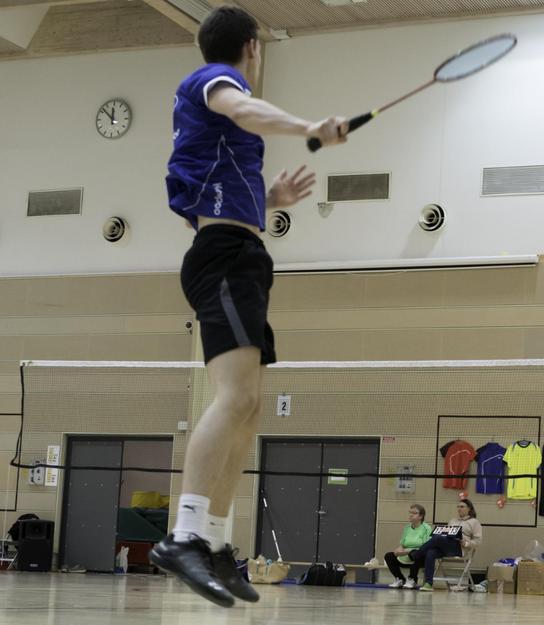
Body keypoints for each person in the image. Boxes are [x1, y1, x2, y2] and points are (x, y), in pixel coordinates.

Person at [149, 5, 347, 609]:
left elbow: (211, 192)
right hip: (225, 259)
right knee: (235, 399)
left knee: (251, 407)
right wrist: (310, 126)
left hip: (241, 254)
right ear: (252, 47)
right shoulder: (216, 82)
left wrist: (270, 197)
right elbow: (241, 107)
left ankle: (211, 540)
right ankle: (183, 535)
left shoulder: (215, 137)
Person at [407, 499, 483, 591]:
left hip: (459, 548)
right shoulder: (453, 521)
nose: (459, 509)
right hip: (446, 545)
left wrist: (466, 543)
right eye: (458, 507)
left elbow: (478, 541)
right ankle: (428, 584)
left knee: (438, 538)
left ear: (469, 509)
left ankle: (417, 553)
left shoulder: (474, 522)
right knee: (431, 552)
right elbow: (447, 534)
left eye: (462, 507)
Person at [385, 505, 432, 588]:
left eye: (414, 513)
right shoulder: (407, 528)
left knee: (415, 554)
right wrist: (399, 551)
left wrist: (408, 551)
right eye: (410, 512)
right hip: (405, 555)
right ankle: (400, 579)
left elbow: (425, 546)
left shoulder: (426, 528)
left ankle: (412, 579)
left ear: (421, 516)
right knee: (389, 556)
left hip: (420, 557)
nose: (411, 515)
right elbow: (402, 544)